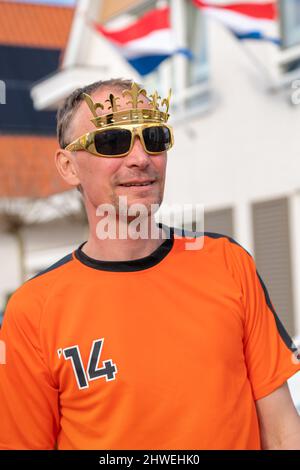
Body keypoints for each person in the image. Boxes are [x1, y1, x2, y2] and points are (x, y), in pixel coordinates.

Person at [0, 78, 300, 450]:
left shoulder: (228, 264)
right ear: (68, 167)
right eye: (113, 141)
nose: (141, 158)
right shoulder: (34, 310)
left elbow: (284, 431)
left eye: (154, 137)